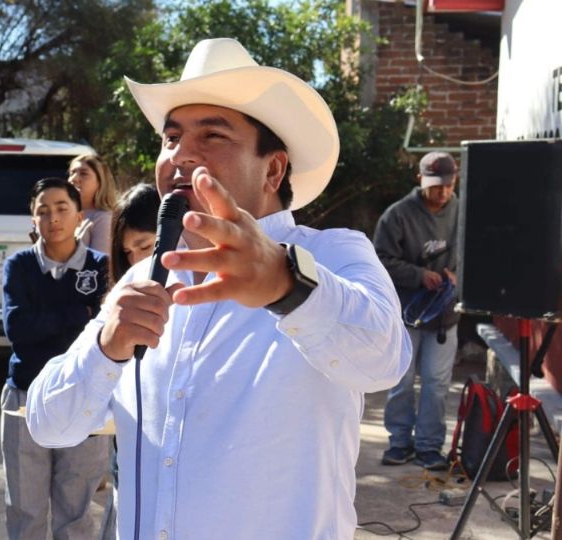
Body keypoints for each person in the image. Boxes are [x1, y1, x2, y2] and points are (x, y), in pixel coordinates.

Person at [25, 38, 411, 538]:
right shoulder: (145, 279)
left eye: (212, 136)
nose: (180, 155)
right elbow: (48, 424)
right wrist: (105, 348)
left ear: (273, 169)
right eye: (171, 138)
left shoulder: (332, 254)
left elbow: (385, 360)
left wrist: (286, 286)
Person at [1, 177, 110, 539]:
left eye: (62, 208)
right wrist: (76, 316)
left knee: (75, 512)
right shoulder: (18, 266)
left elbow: (105, 330)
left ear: (80, 215)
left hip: (85, 399)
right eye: (42, 211)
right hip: (25, 395)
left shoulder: (101, 267)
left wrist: (51, 321)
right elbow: (17, 329)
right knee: (25, 510)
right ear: (32, 220)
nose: (53, 219)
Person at [374, 151, 460, 471]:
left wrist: (457, 277)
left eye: (448, 185)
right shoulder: (397, 215)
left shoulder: (463, 212)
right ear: (420, 179)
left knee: (437, 384)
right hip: (407, 312)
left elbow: (478, 252)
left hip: (444, 317)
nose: (442, 192)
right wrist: (418, 275)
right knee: (402, 379)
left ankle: (428, 446)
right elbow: (380, 259)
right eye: (436, 185)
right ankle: (399, 441)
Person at [100, 181, 160, 540]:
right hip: (129, 452)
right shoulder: (118, 303)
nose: (138, 262)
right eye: (128, 253)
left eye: (147, 246)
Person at [68, 154, 117, 254]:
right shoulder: (67, 216)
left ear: (100, 181)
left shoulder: (103, 218)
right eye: (72, 173)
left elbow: (100, 265)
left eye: (83, 173)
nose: (74, 179)